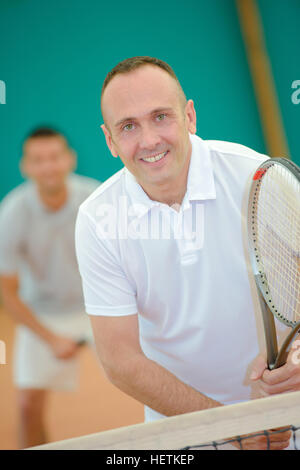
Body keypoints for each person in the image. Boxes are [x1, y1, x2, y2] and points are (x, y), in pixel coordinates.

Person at [75, 57, 300, 450]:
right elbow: (120, 361)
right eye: (128, 126)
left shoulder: (256, 176)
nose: (148, 140)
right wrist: (228, 428)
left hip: (288, 411)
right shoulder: (97, 219)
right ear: (110, 140)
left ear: (190, 116)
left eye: (161, 116)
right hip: (186, 428)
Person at [0, 127, 100, 448]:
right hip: (42, 314)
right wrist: (51, 338)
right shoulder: (12, 212)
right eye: (38, 160)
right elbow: (7, 292)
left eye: (55, 157)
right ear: (25, 167)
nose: (48, 167)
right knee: (28, 406)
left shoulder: (95, 199)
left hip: (98, 307)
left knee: (148, 383)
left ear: (69, 159)